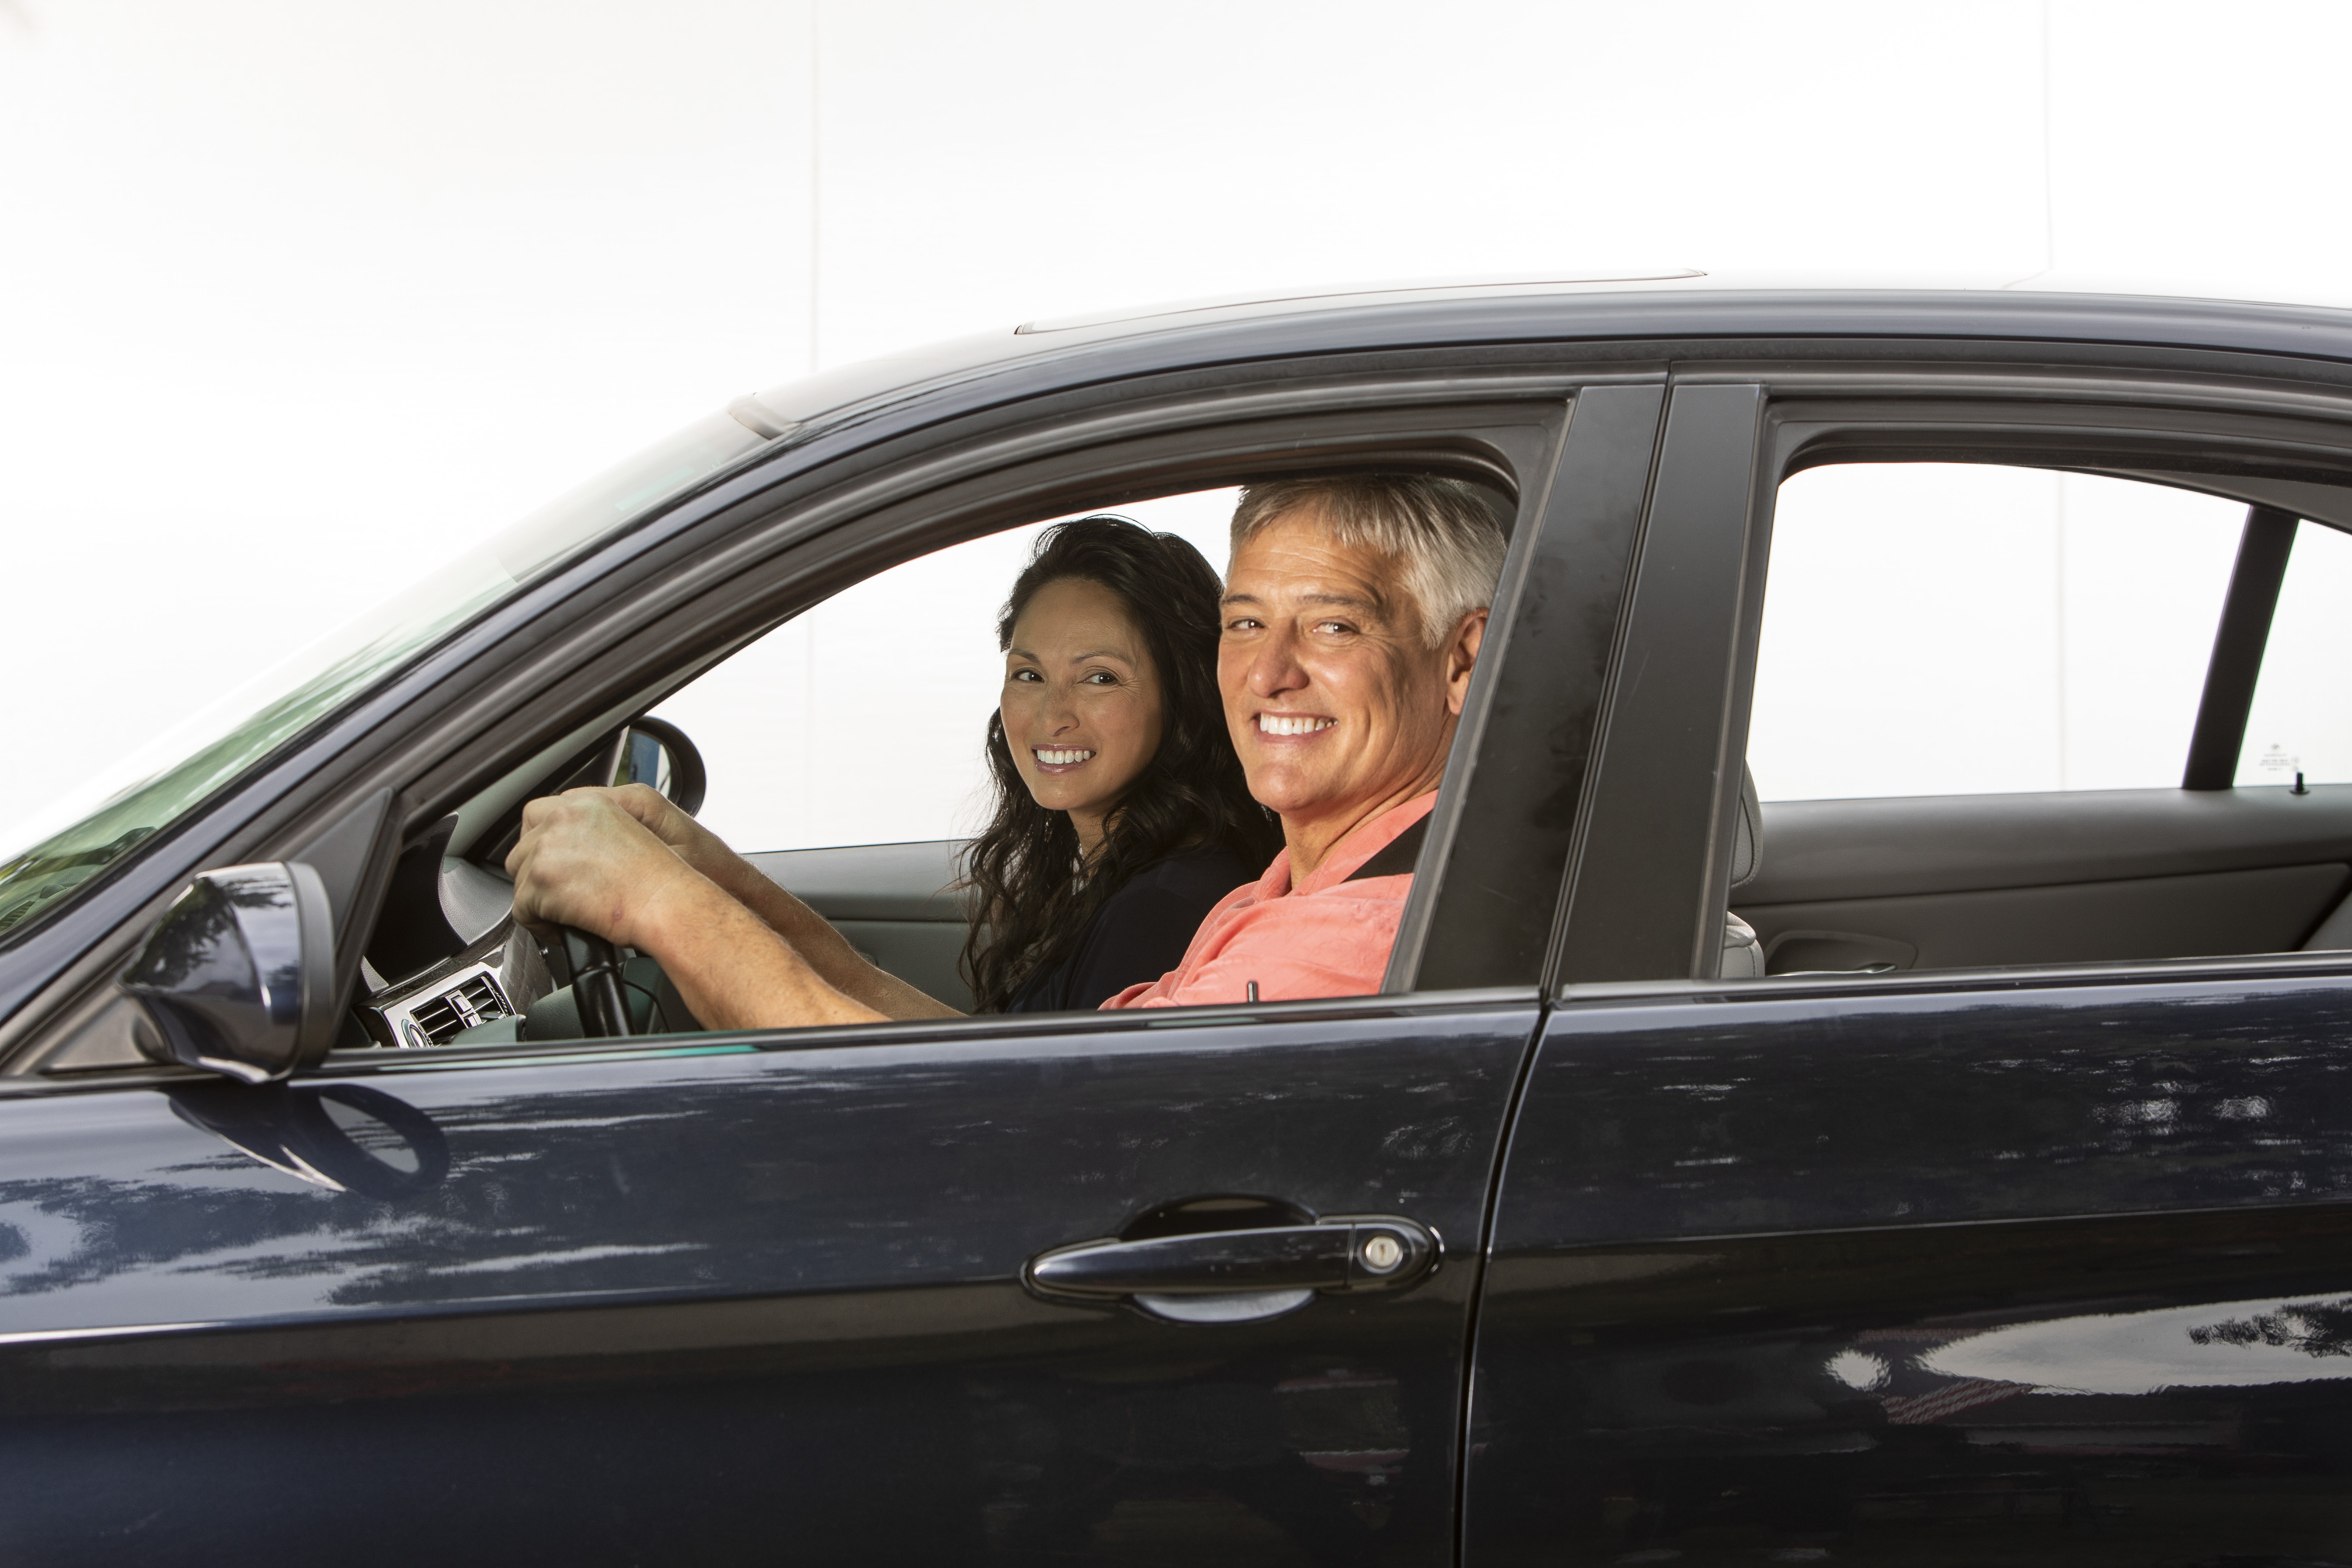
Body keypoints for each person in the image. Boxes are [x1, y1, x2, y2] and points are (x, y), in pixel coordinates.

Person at [506, 516, 1278, 1027]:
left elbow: (993, 1110)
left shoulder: (1169, 909)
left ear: (1182, 694)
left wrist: (652, 897)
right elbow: (975, 1056)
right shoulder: (1131, 874)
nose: (1052, 716)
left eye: (1100, 677)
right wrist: (699, 860)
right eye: (1029, 674)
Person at [1100, 473, 1503, 1007]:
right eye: (1247, 623)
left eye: (1334, 627)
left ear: (1464, 660)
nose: (1267, 675)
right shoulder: (1293, 886)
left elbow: (1060, 1087)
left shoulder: (1355, 939)